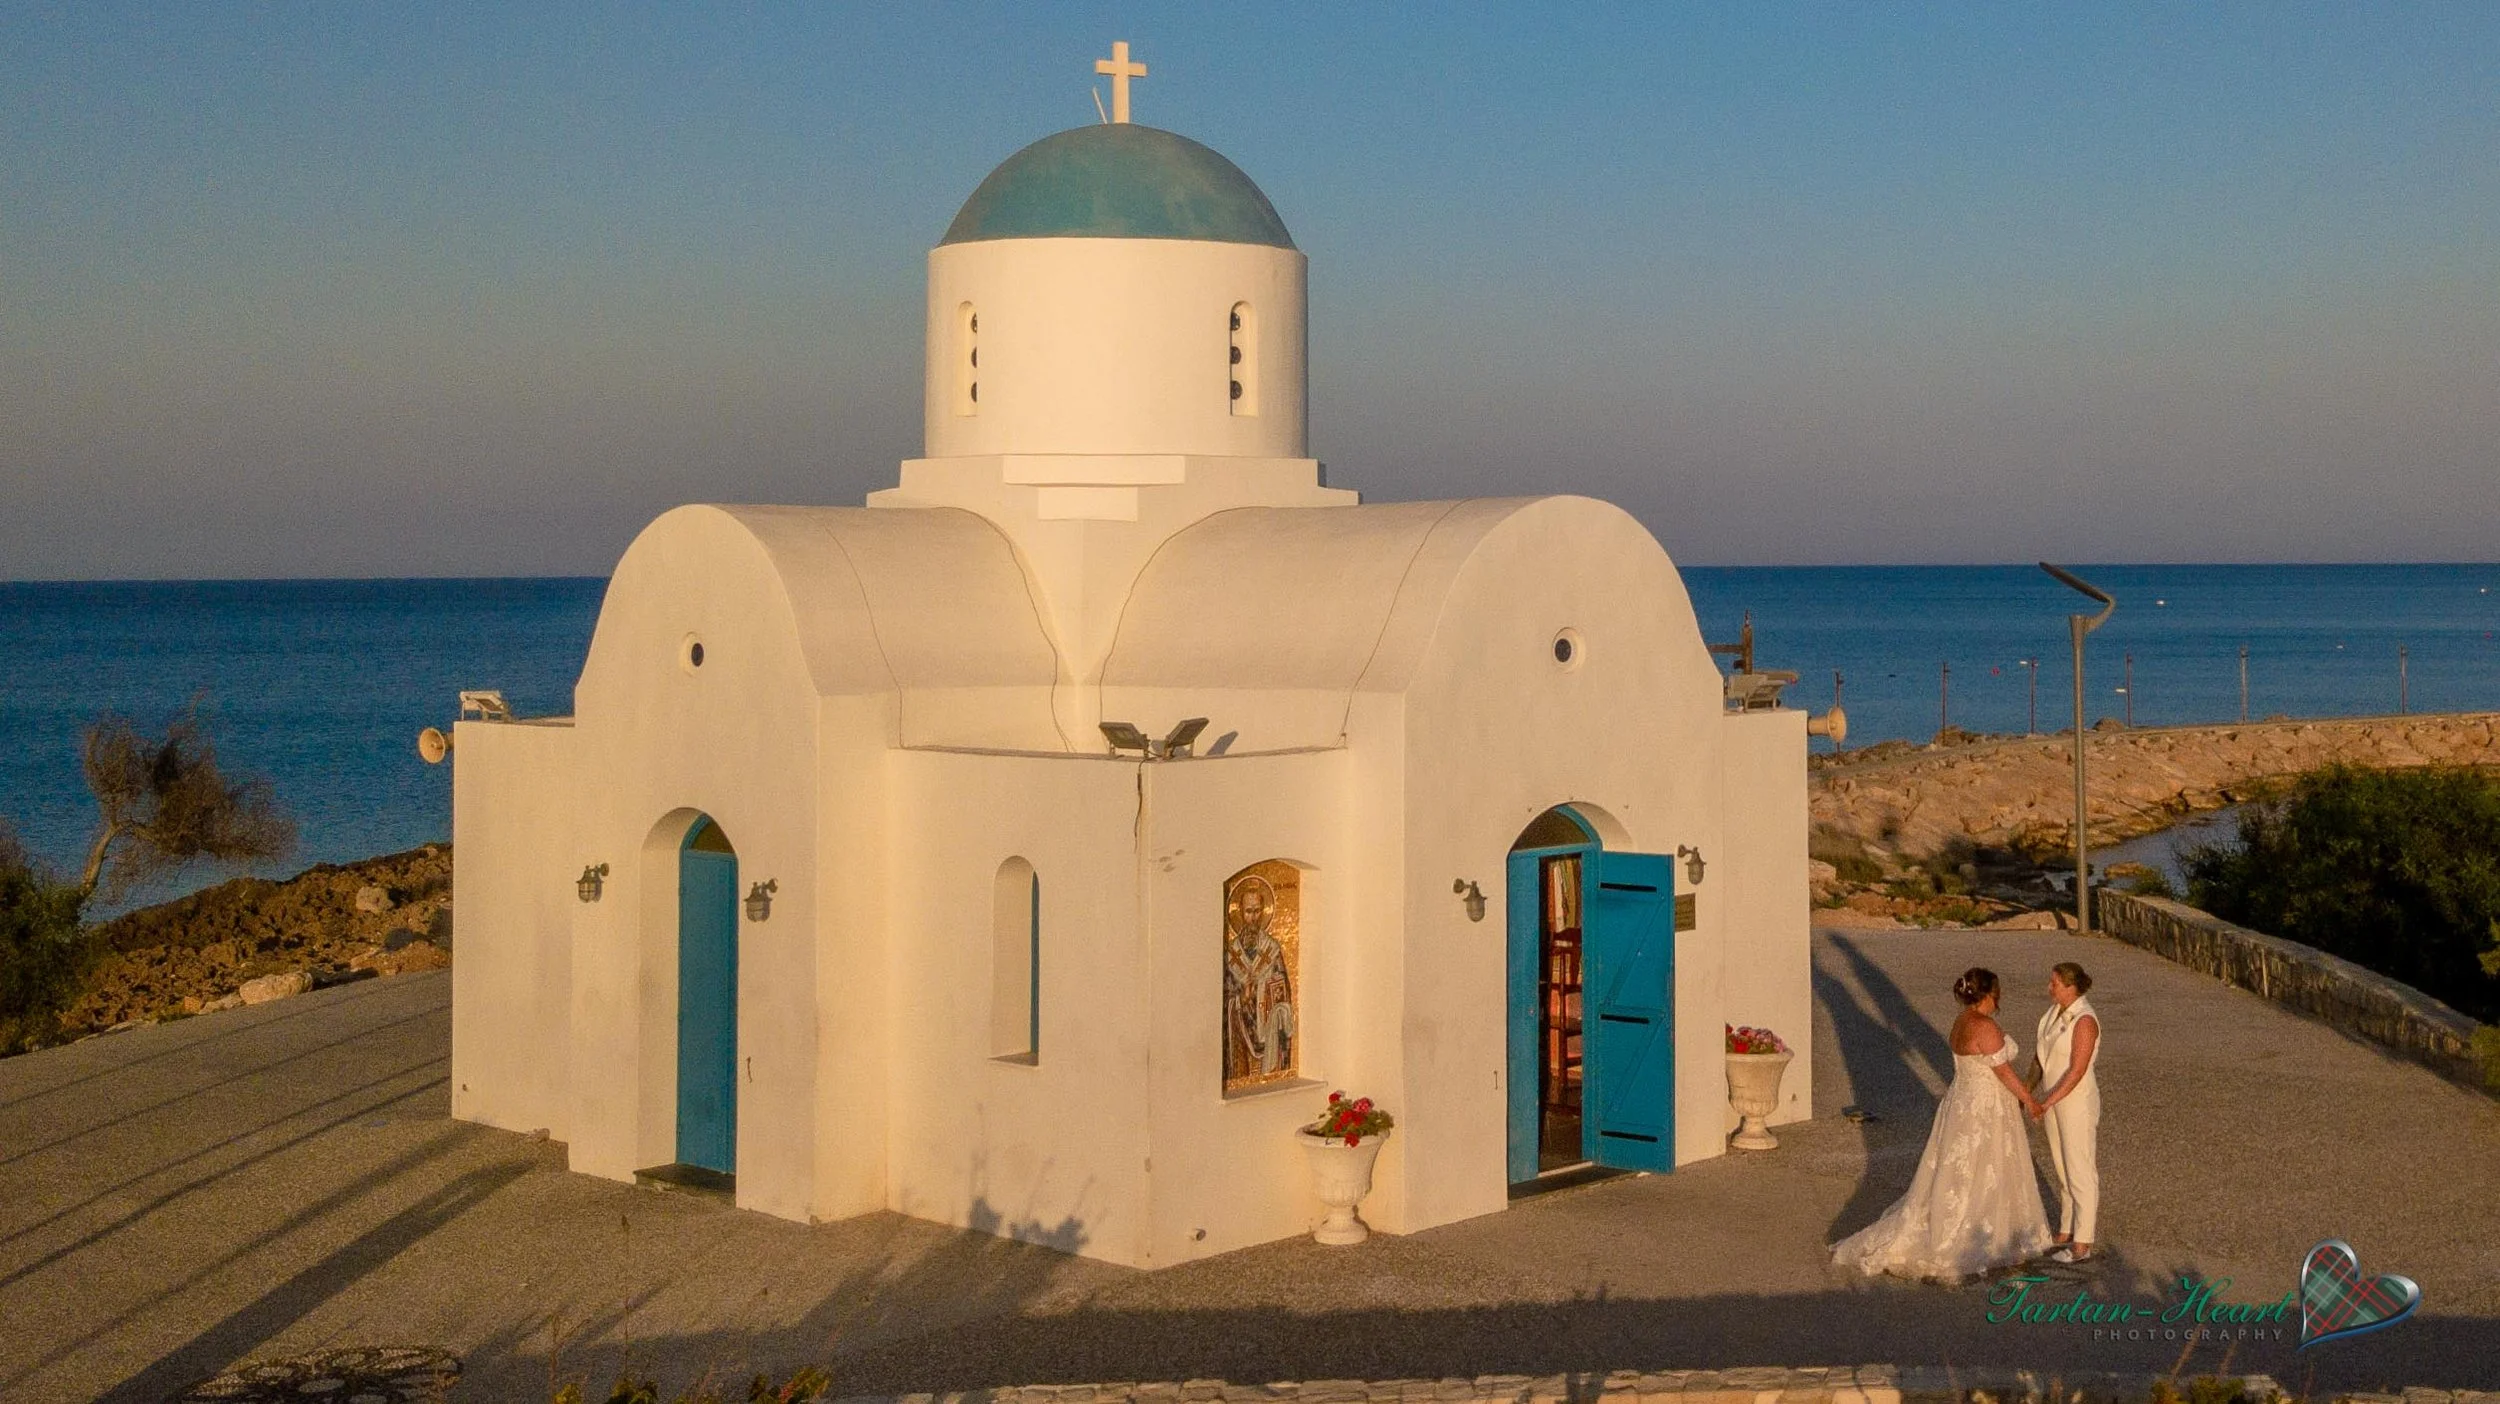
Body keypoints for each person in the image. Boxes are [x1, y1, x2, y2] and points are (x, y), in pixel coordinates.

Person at [1832, 967, 2054, 1282]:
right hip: (1984, 1106)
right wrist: (2029, 1100)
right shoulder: (1985, 1026)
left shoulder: (1961, 1021)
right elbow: (2002, 1072)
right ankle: (1978, 1235)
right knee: (1986, 1165)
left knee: (1959, 1168)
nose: (1998, 1001)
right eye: (1996, 995)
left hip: (1961, 1101)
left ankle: (1982, 1226)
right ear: (1988, 995)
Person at [2029, 961, 2102, 1264]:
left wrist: (2047, 1102)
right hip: (2055, 1099)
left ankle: (2083, 1241)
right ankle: (2065, 1228)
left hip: (2076, 1103)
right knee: (2061, 1165)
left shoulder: (2085, 1020)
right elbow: (2041, 1056)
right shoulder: (2052, 1014)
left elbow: (2077, 1070)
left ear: (2071, 986)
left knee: (2080, 1167)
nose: (2050, 988)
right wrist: (2027, 1090)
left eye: (2055, 983)